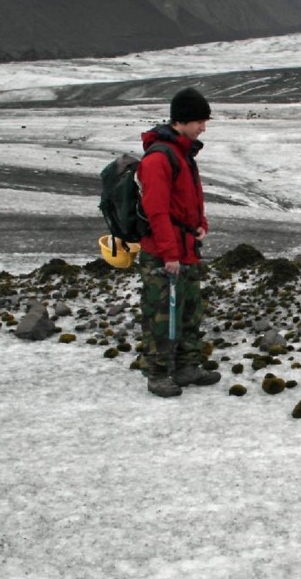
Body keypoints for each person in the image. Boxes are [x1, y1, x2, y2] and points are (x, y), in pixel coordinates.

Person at [135, 87, 219, 397]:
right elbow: (156, 211)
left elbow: (190, 200)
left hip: (187, 249)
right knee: (161, 314)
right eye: (199, 121)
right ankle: (157, 373)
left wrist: (201, 225)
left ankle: (186, 367)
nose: (203, 127)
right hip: (164, 252)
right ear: (181, 121)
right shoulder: (159, 158)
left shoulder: (184, 154)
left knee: (189, 311)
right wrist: (168, 254)